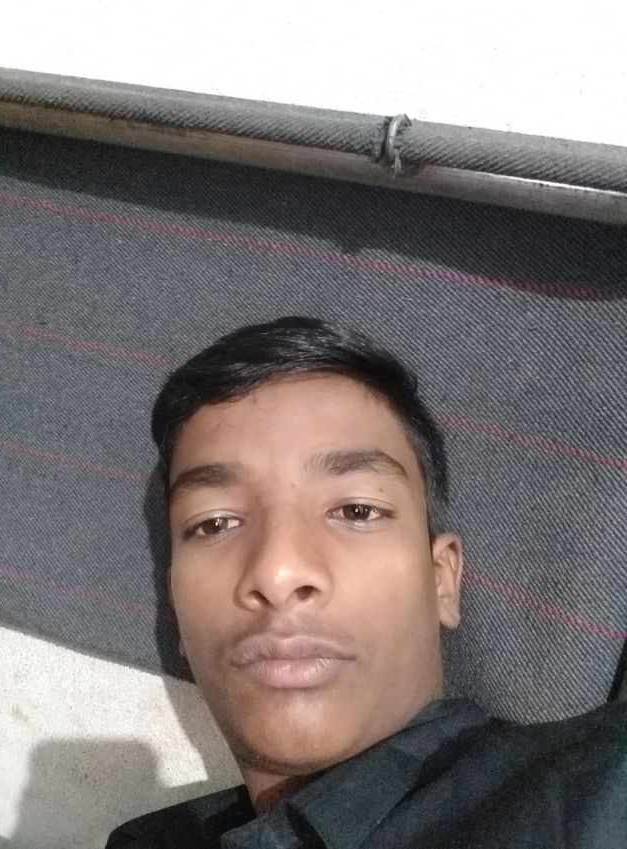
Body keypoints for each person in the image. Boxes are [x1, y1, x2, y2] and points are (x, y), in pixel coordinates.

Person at [107, 316, 626, 849]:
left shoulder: (592, 792)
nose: (278, 572)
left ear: (442, 581)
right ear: (177, 614)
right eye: (215, 523)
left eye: (357, 511)